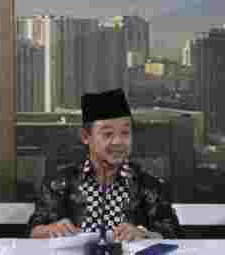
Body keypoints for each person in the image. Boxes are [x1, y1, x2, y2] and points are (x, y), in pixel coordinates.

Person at [29, 88, 180, 241]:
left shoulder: (148, 184)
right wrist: (50, 230)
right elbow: (34, 230)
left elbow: (172, 233)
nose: (118, 142)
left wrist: (144, 234)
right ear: (85, 136)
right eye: (107, 134)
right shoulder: (59, 182)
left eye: (125, 133)